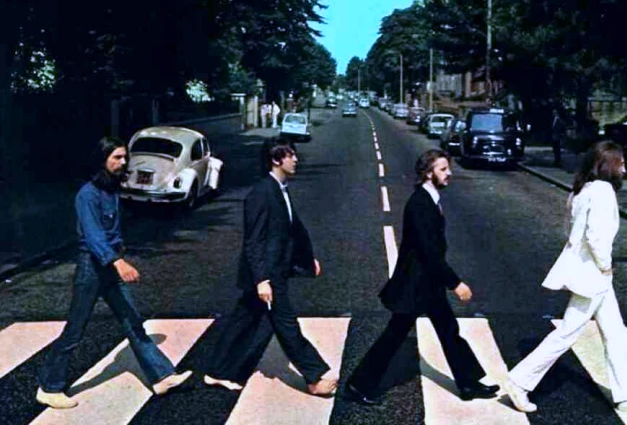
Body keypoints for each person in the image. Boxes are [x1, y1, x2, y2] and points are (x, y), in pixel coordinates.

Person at [37, 137, 192, 409]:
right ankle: (49, 387)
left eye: (124, 158)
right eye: (117, 158)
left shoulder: (111, 190)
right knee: (75, 330)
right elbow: (93, 236)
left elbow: (111, 233)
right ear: (102, 160)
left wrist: (118, 254)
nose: (123, 163)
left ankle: (162, 376)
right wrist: (117, 262)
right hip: (92, 268)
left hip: (108, 265)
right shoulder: (87, 194)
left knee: (132, 321)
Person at [504, 141, 627, 414]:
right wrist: (606, 266)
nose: (625, 168)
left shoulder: (580, 190)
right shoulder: (603, 191)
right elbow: (596, 237)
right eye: (621, 163)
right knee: (567, 333)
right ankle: (520, 381)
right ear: (608, 165)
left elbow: (570, 230)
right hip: (595, 275)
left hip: (589, 273)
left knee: (615, 334)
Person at [345, 149, 499, 405]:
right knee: (394, 335)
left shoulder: (430, 199)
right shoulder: (420, 204)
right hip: (416, 286)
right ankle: (359, 384)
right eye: (442, 169)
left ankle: (468, 383)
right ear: (428, 173)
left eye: (447, 168)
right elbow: (429, 252)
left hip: (428, 284)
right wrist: (455, 283)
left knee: (450, 331)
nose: (449, 173)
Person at [203, 137, 336, 396]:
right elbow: (253, 241)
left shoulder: (280, 189)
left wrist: (308, 260)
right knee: (286, 325)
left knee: (243, 321)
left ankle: (217, 371)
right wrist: (261, 280)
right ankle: (315, 376)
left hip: (276, 269)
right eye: (290, 155)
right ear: (276, 160)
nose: (296, 159)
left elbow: (291, 231)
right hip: (268, 275)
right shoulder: (261, 193)